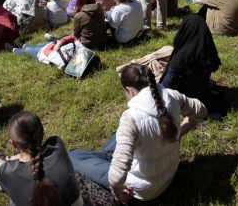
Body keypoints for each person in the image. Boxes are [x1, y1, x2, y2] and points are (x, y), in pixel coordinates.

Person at [68, 64, 207, 203]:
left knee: (73, 155)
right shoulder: (172, 96)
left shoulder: (131, 119)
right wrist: (178, 134)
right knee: (120, 139)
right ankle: (115, 157)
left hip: (141, 192)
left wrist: (117, 194)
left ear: (130, 90)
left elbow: (116, 178)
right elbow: (201, 111)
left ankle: (112, 158)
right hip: (168, 176)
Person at [0, 111, 84, 206]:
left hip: (6, 170)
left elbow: (3, 167)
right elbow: (37, 151)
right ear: (42, 131)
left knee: (6, 183)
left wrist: (0, 163)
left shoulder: (8, 172)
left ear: (13, 143)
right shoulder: (57, 145)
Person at [160, 15, 221, 106]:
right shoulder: (209, 51)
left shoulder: (179, 60)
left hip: (183, 102)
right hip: (201, 96)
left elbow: (165, 88)